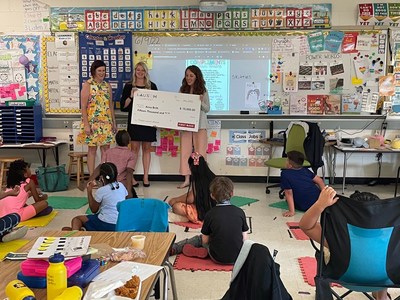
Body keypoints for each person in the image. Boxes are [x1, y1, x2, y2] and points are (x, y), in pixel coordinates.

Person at [299, 187, 390, 300]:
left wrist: (320, 205)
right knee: (385, 258)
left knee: (321, 254)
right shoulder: (391, 235)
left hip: (345, 278)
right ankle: (382, 297)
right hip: (384, 280)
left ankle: (324, 294)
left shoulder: (336, 236)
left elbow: (305, 226)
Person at [171, 177, 249, 265]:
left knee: (199, 239)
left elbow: (204, 240)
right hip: (237, 257)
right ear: (232, 194)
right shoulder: (240, 212)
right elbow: (245, 238)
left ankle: (174, 248)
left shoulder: (210, 214)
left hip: (216, 257)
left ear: (212, 195)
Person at [120, 62, 158, 187]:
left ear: (146, 72)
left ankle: (146, 177)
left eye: (143, 70)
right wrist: (131, 96)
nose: (140, 72)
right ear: (135, 71)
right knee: (134, 150)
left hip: (148, 123)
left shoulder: (152, 86)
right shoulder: (128, 86)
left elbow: (157, 106)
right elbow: (123, 107)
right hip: (134, 123)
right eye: (138, 70)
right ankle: (131, 178)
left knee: (147, 149)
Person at [77, 60, 117, 176]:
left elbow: (110, 105)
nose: (102, 73)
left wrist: (113, 122)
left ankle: (105, 176)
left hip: (106, 122)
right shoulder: (87, 85)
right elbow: (83, 107)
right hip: (92, 123)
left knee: (106, 150)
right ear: (94, 71)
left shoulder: (107, 86)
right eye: (99, 70)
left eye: (103, 70)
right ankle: (92, 177)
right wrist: (86, 125)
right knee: (92, 150)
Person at [63, 162, 127, 231]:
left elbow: (94, 210)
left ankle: (75, 235)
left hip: (105, 224)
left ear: (101, 177)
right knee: (95, 217)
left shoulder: (101, 190)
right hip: (120, 223)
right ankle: (82, 230)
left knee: (77, 219)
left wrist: (89, 191)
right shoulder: (121, 185)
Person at [178, 65, 210, 189]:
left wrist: (200, 101)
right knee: (185, 152)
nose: (189, 78)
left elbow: (207, 109)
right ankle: (187, 178)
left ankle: (200, 179)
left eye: (191, 75)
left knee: (200, 152)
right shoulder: (182, 90)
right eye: (187, 75)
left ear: (197, 76)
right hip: (186, 125)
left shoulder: (203, 90)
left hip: (200, 126)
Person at [168, 152, 215, 223]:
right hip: (217, 210)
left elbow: (190, 198)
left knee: (176, 207)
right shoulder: (213, 177)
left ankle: (190, 218)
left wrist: (175, 200)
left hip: (205, 213)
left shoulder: (198, 180)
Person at [88, 130, 137, 199]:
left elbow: (101, 167)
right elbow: (129, 173)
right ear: (129, 141)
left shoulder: (108, 152)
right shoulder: (131, 155)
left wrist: (88, 181)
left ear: (116, 141)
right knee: (132, 203)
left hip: (107, 184)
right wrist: (129, 191)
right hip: (122, 185)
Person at [280, 150, 325, 217]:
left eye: (287, 160)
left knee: (287, 197)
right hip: (318, 202)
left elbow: (289, 193)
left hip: (305, 206)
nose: (285, 162)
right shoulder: (305, 170)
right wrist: (325, 197)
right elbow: (320, 181)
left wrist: (291, 211)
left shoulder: (285, 174)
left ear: (290, 165)